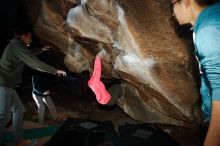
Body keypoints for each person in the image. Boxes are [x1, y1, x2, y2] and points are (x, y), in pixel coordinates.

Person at [0, 28, 66, 146]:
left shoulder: (18, 47)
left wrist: (40, 49)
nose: (31, 39)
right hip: (3, 83)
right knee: (4, 116)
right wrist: (54, 70)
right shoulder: (16, 46)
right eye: (29, 36)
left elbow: (28, 53)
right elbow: (34, 63)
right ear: (24, 36)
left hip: (8, 84)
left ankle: (18, 141)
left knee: (19, 110)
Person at [171, 0, 220, 145]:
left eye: (172, 4)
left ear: (186, 2)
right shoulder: (214, 16)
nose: (172, 11)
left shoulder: (208, 30)